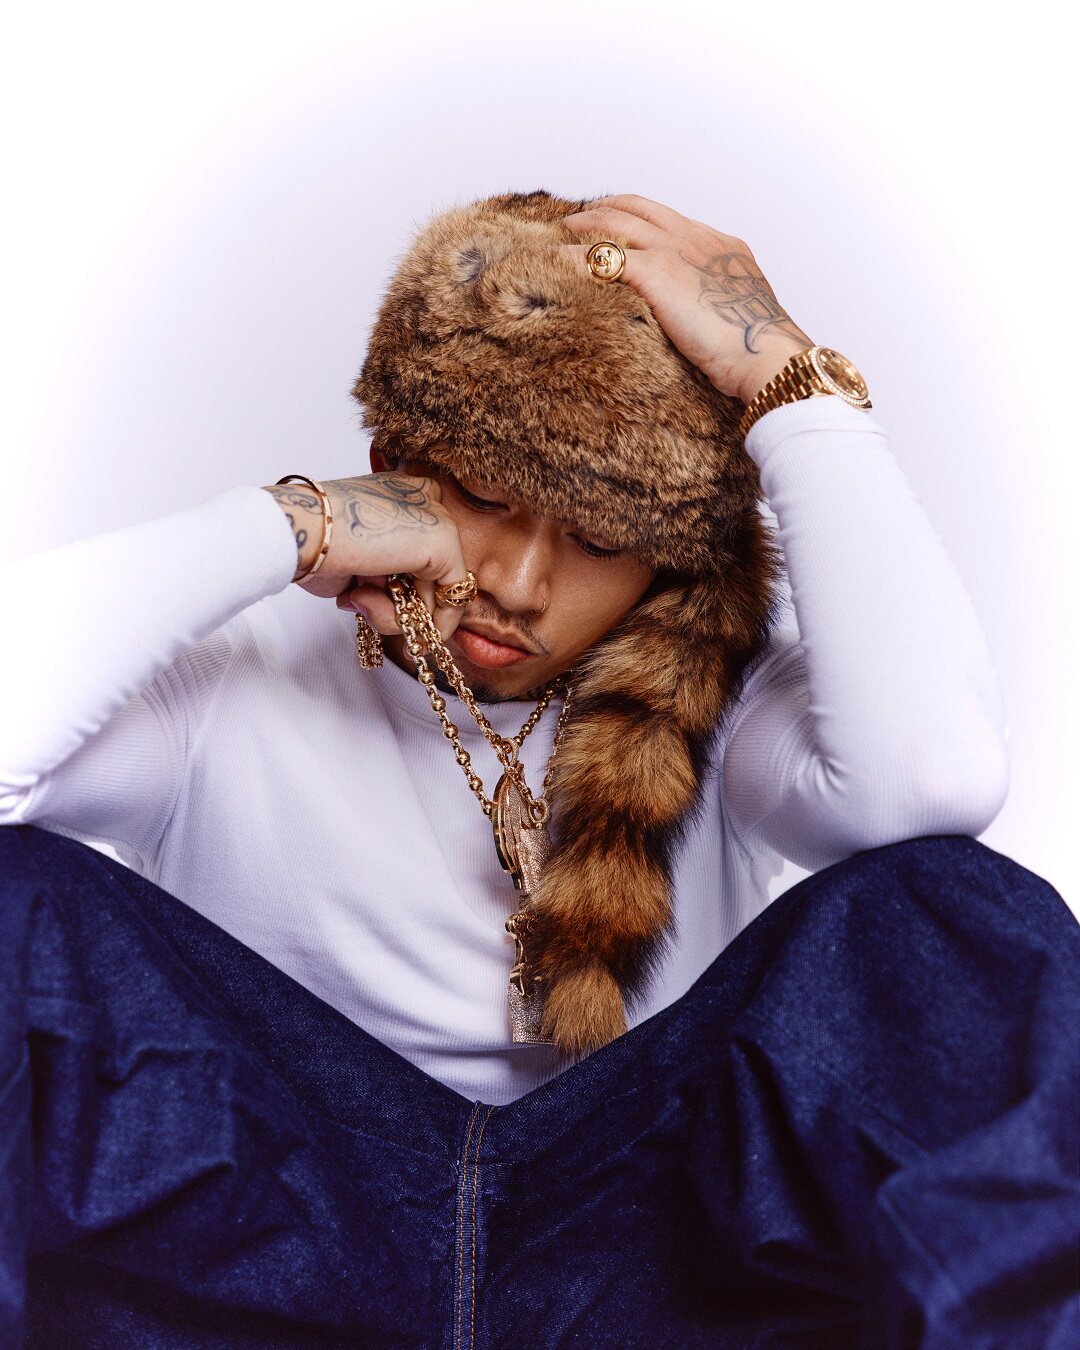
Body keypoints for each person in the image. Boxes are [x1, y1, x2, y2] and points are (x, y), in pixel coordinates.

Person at [1, 190, 1075, 1347]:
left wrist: (795, 389)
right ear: (396, 465)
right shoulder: (229, 671)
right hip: (273, 1226)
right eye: (480, 497)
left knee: (948, 919)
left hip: (639, 1242)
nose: (516, 584)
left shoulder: (720, 695)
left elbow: (931, 782)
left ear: (665, 562)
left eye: (602, 540)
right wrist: (285, 525)